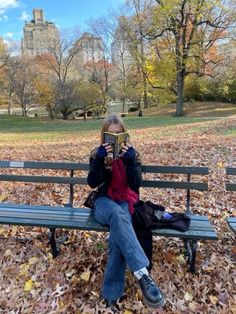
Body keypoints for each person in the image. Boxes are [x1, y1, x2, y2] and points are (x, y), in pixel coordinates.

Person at [87, 113, 164, 310]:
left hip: (125, 201)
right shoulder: (98, 154)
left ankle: (111, 294)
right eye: (110, 134)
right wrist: (100, 161)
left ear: (124, 135)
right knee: (116, 215)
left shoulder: (133, 154)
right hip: (104, 202)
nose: (115, 138)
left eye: (118, 133)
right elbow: (92, 183)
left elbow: (136, 185)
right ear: (104, 136)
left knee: (117, 233)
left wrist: (130, 163)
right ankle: (143, 274)